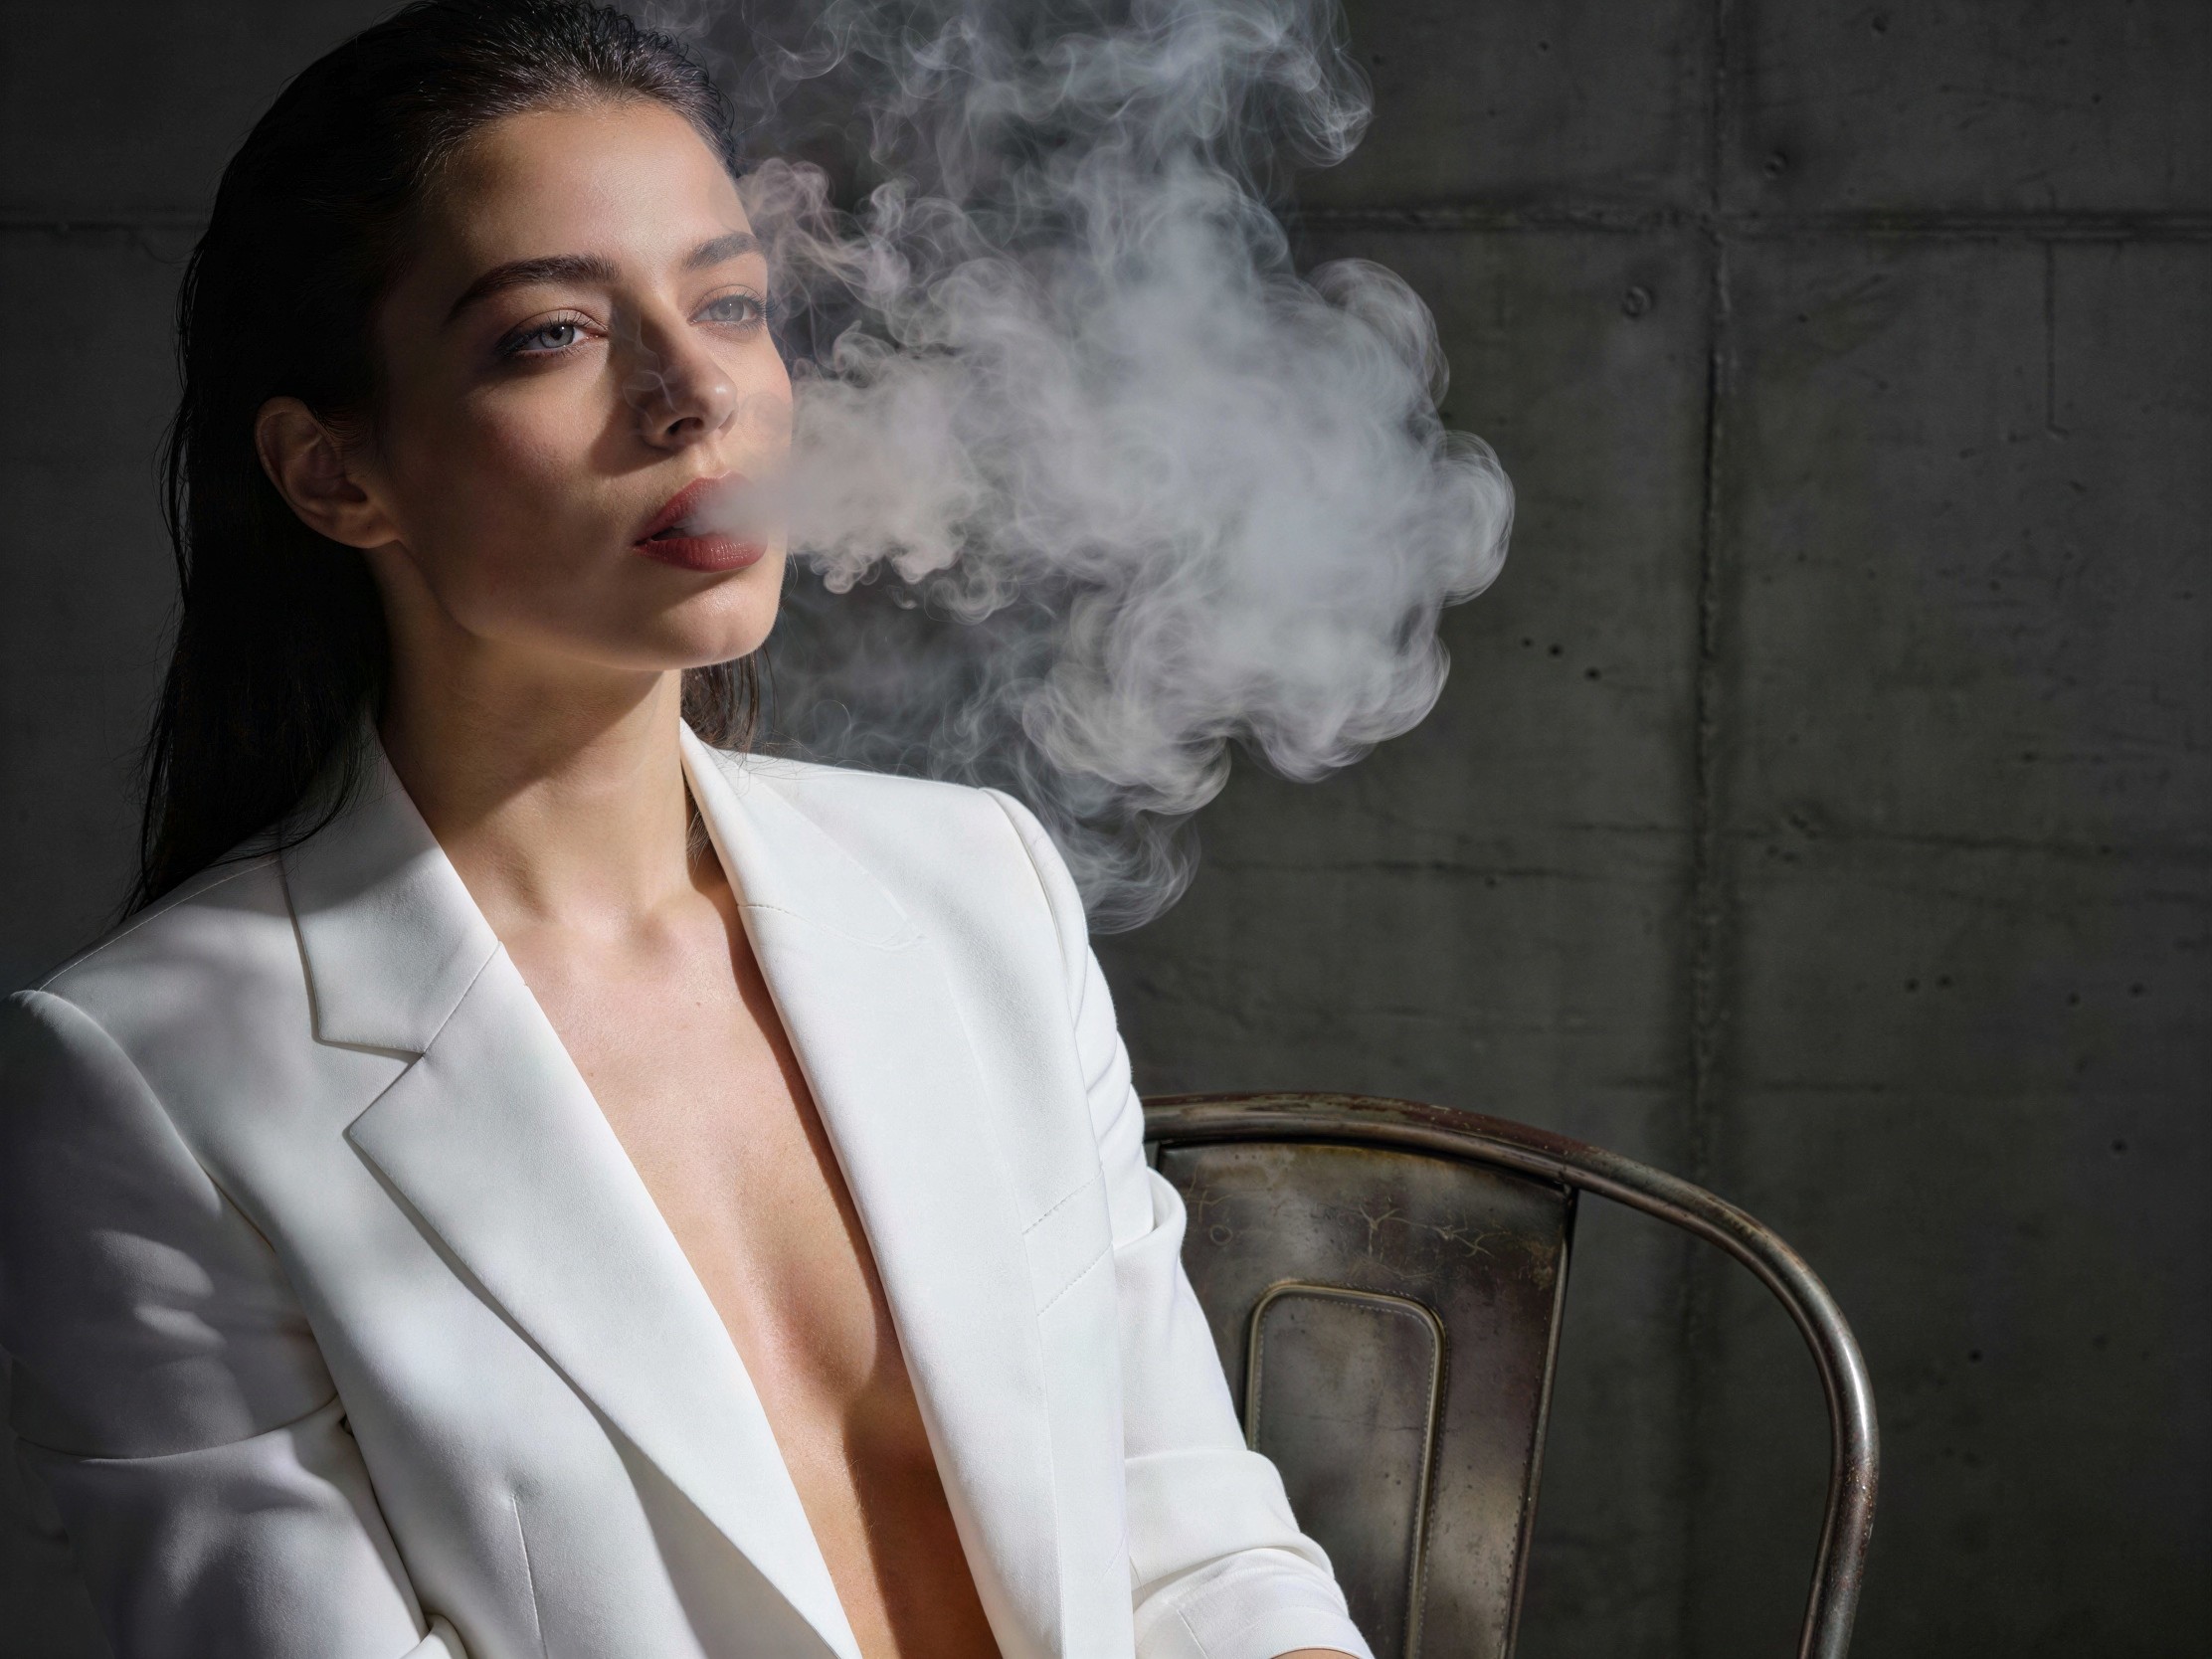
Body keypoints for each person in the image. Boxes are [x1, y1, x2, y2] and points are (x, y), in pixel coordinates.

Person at [0, 4, 1369, 1657]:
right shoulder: (152, 1080)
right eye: (551, 335)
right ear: (334, 474)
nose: (693, 392)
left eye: (728, 304)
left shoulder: (976, 890)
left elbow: (1193, 1544)